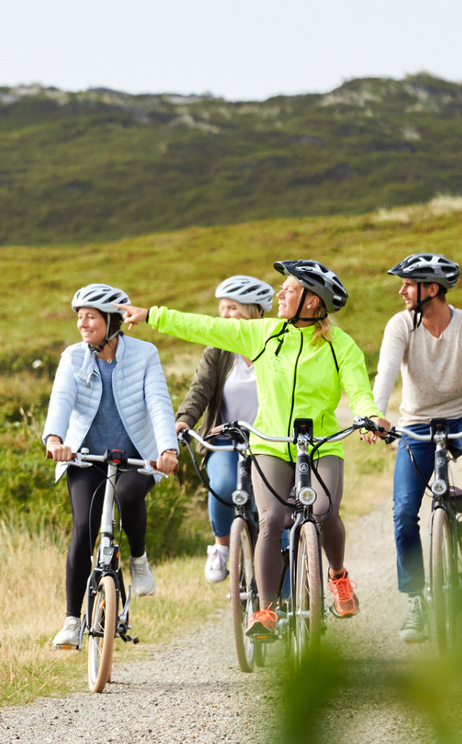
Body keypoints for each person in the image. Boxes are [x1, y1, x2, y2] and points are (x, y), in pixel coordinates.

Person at [122, 260, 379, 642]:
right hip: (271, 443)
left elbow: (358, 389)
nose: (279, 294)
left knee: (324, 513)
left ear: (312, 302)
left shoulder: (340, 345)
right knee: (272, 519)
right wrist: (151, 315)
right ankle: (266, 610)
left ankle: (338, 577)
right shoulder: (264, 334)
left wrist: (369, 416)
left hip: (321, 442)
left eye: (288, 290)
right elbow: (206, 326)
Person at [372, 252, 462, 644]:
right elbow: (385, 371)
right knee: (403, 513)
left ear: (431, 289)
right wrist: (376, 414)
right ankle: (417, 602)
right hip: (416, 424)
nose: (401, 291)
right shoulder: (401, 325)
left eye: (408, 284)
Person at [42, 283, 180, 651]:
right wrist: (54, 440)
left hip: (136, 454)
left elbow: (158, 403)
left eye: (90, 317)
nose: (82, 324)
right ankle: (72, 621)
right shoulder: (73, 357)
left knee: (128, 493)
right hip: (85, 456)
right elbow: (61, 400)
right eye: (80, 317)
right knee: (84, 528)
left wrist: (168, 448)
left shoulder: (144, 354)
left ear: (112, 321)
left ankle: (138, 559)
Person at [173, 275, 275, 584]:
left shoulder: (276, 347)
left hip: (269, 439)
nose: (225, 316)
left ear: (255, 311)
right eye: (222, 309)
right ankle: (220, 546)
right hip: (226, 438)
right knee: (224, 484)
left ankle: (282, 596)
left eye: (232, 308)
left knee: (272, 510)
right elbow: (200, 390)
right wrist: (184, 421)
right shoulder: (218, 348)